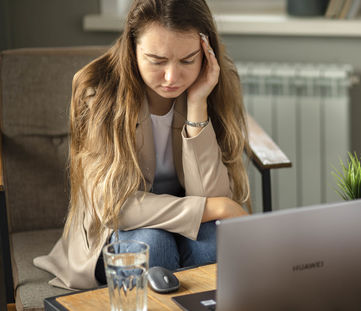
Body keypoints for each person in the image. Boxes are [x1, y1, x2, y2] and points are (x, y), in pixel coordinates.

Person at [34, 0, 250, 290]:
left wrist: (198, 105)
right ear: (132, 49)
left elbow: (211, 194)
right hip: (115, 233)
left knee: (213, 243)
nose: (172, 77)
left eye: (187, 60)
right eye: (157, 61)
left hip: (190, 220)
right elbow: (114, 207)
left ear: (205, 52)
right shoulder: (97, 91)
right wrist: (215, 208)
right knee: (153, 244)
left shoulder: (213, 86)